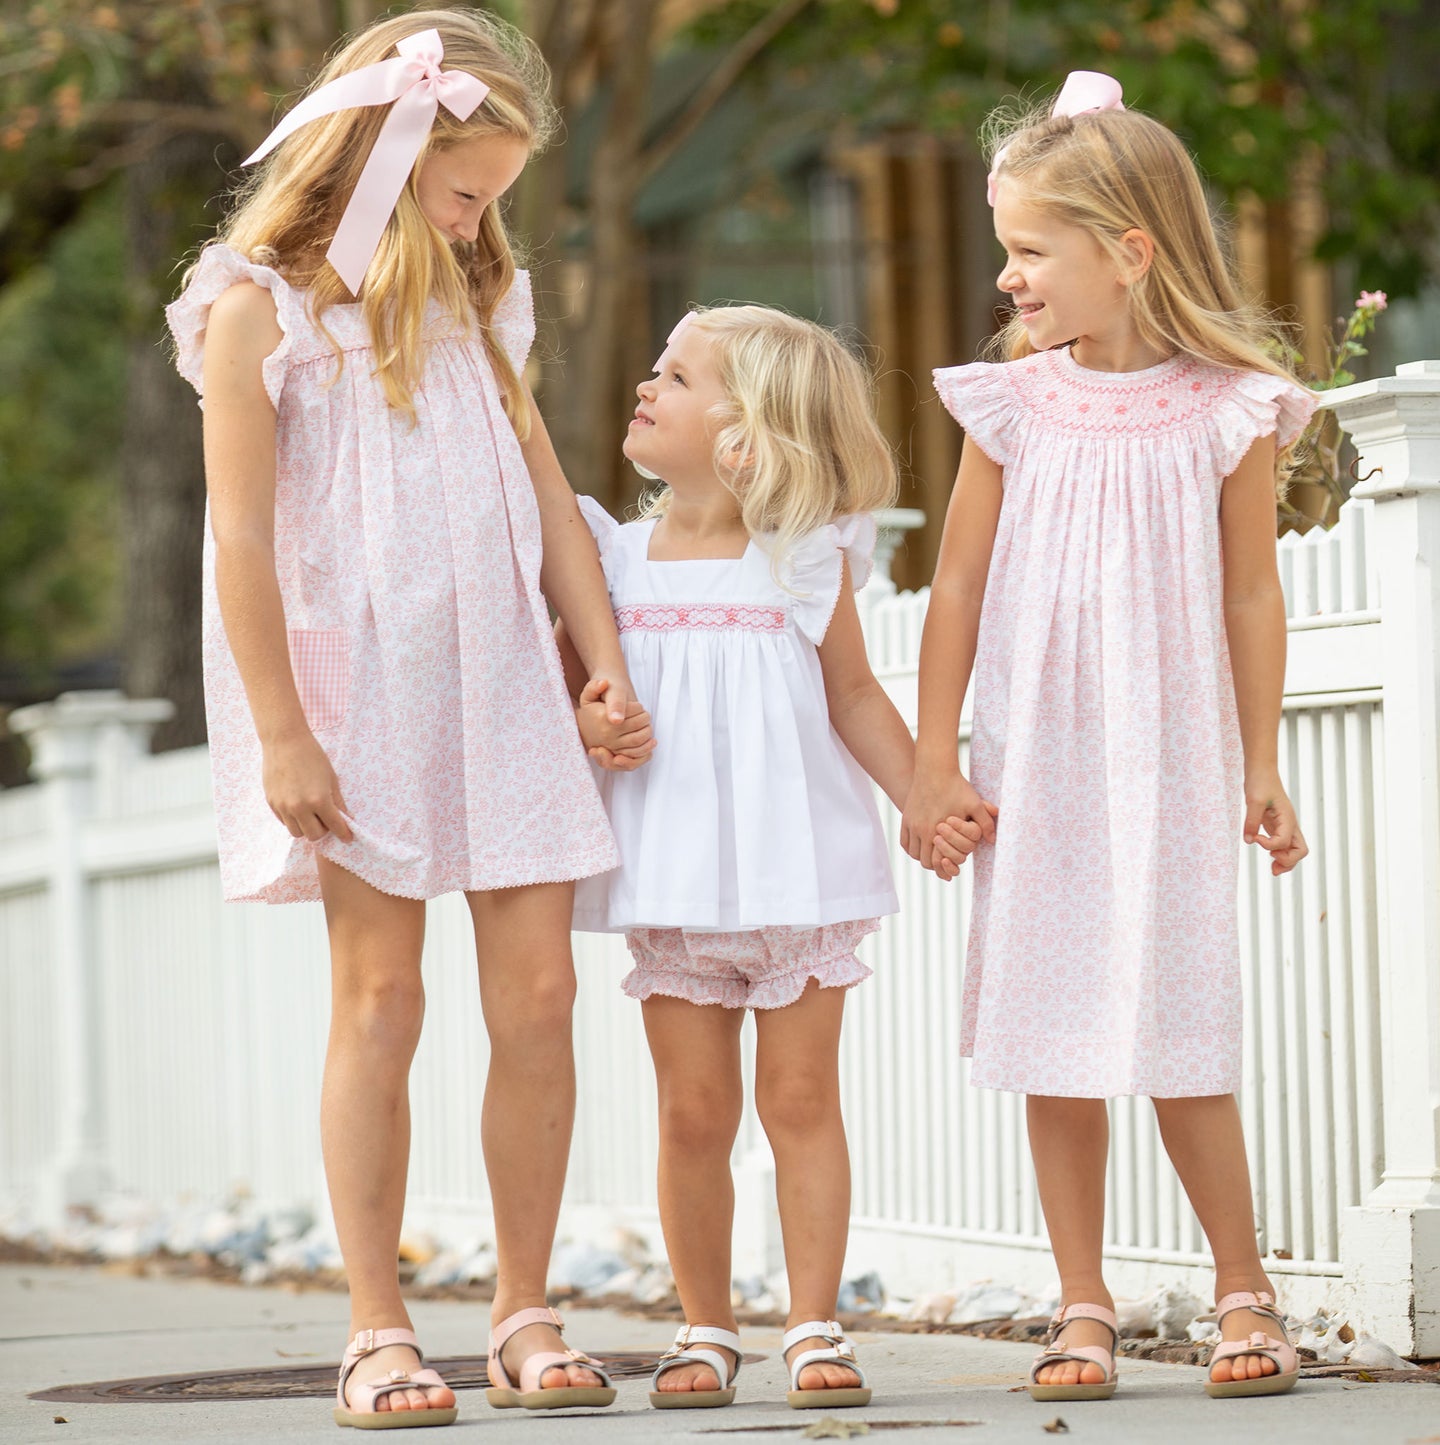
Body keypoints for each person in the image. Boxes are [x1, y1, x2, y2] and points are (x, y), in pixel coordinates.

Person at [165, 8, 644, 1429]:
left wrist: (599, 658)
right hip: (352, 692)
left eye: (494, 196)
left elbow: (548, 495)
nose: (483, 214)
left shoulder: (481, 306)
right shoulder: (257, 305)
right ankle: (376, 1327)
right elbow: (239, 541)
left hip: (501, 675)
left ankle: (524, 1310)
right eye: (465, 188)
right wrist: (284, 732)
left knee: (542, 995)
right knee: (382, 995)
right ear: (384, 147)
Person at [901, 71, 1314, 1404]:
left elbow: (1252, 588)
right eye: (1007, 249)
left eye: (1031, 251)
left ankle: (1237, 1282)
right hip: (1036, 759)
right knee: (1050, 1021)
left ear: (1128, 249)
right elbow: (953, 586)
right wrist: (931, 758)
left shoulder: (1227, 405)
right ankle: (1081, 1299)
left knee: (1181, 1016)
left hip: (1169, 758)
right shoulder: (1011, 404)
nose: (1008, 277)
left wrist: (1259, 761)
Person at [560, 305, 978, 1412]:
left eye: (677, 376)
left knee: (798, 1098)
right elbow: (574, 698)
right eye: (653, 368)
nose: (645, 386)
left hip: (796, 875)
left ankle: (811, 1321)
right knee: (692, 1111)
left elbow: (850, 693)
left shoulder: (805, 554)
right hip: (674, 880)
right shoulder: (608, 555)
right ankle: (703, 1324)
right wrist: (590, 726)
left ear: (745, 431)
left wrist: (922, 793)